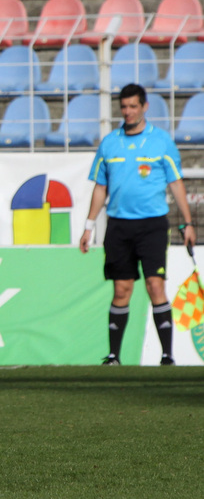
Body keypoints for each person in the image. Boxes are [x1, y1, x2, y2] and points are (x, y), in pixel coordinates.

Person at [79, 83, 194, 366]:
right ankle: (114, 357)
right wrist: (89, 225)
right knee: (121, 289)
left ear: (144, 107)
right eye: (124, 107)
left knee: (155, 285)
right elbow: (100, 188)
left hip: (152, 225)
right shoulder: (110, 143)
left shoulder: (161, 141)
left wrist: (188, 222)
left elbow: (176, 183)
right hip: (119, 226)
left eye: (133, 106)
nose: (128, 112)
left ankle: (167, 356)